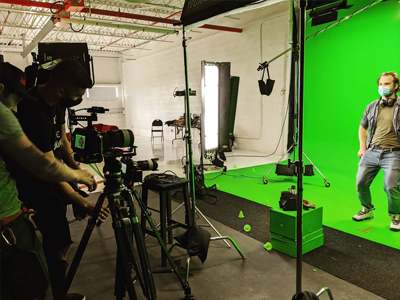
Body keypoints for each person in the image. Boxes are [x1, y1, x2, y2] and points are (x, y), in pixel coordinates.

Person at [6, 59, 109, 300]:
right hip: (36, 183)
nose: (78, 99)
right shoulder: (32, 110)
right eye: (76, 94)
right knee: (60, 243)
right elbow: (47, 167)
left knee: (60, 239)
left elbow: (61, 138)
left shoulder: (58, 102)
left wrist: (75, 165)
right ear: (62, 90)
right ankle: (58, 295)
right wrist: (76, 197)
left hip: (52, 174)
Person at [354, 71, 400, 231]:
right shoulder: (372, 106)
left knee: (391, 186)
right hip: (372, 151)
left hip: (394, 153)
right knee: (360, 182)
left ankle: (396, 216)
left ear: (396, 86)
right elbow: (362, 126)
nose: (383, 87)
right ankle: (367, 209)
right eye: (381, 84)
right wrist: (362, 147)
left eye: (387, 84)